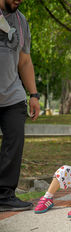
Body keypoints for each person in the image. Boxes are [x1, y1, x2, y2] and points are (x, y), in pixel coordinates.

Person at [0, 0, 40, 212]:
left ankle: (5, 195)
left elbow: (24, 61)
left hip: (13, 95)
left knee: (14, 144)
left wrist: (33, 94)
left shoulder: (21, 21)